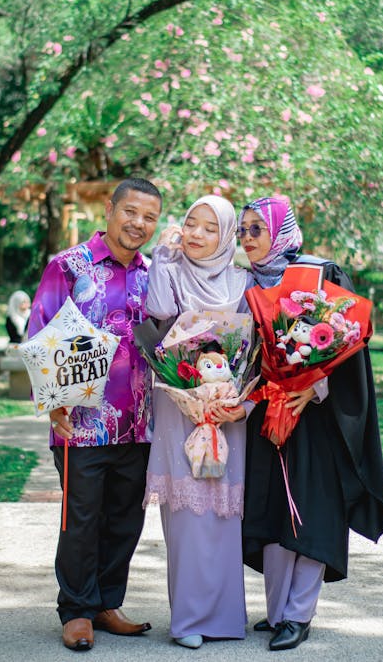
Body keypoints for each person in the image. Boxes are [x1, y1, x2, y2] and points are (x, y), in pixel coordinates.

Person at [238, 195, 383, 652]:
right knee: (269, 511)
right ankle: (275, 613)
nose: (246, 239)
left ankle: (299, 615)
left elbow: (349, 345)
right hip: (266, 412)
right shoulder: (245, 282)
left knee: (309, 514)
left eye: (255, 229)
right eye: (242, 230)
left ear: (279, 230)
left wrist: (314, 388)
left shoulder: (318, 273)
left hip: (315, 418)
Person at [28, 178, 162, 652]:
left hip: (140, 423)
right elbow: (39, 331)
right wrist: (51, 402)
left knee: (125, 519)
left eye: (149, 217)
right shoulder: (69, 266)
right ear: (109, 209)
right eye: (131, 212)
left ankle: (107, 603)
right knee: (81, 519)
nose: (138, 224)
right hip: (80, 424)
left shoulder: (154, 274)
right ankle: (77, 610)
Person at [143, 194, 252, 649]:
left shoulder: (242, 279)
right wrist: (164, 258)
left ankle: (225, 617)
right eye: (191, 223)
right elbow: (157, 322)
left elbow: (253, 350)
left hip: (227, 407)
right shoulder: (168, 268)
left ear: (226, 235)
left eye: (210, 228)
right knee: (186, 514)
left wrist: (236, 400)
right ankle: (187, 619)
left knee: (222, 511)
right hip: (178, 404)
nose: (197, 235)